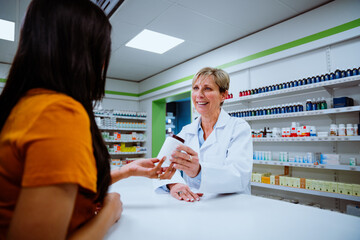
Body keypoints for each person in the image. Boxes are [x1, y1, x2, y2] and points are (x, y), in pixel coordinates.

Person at [0, 0, 175, 239]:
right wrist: (110, 210)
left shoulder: (25, 105)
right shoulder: (58, 113)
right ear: (87, 56)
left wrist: (126, 170)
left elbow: (53, 179)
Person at [153, 67, 253, 202]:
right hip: (194, 204)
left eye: (207, 89)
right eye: (195, 88)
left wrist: (199, 171)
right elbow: (161, 164)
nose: (199, 95)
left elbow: (239, 176)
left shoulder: (238, 128)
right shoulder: (187, 131)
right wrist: (174, 184)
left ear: (223, 95)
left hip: (231, 205)